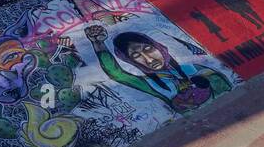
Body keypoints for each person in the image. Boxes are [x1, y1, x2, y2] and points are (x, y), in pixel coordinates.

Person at [85, 26, 232, 113]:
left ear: (160, 48)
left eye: (148, 49)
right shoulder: (151, 84)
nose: (149, 59)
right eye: (136, 56)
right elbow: (117, 74)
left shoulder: (190, 68)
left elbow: (223, 85)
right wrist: (99, 44)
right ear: (131, 61)